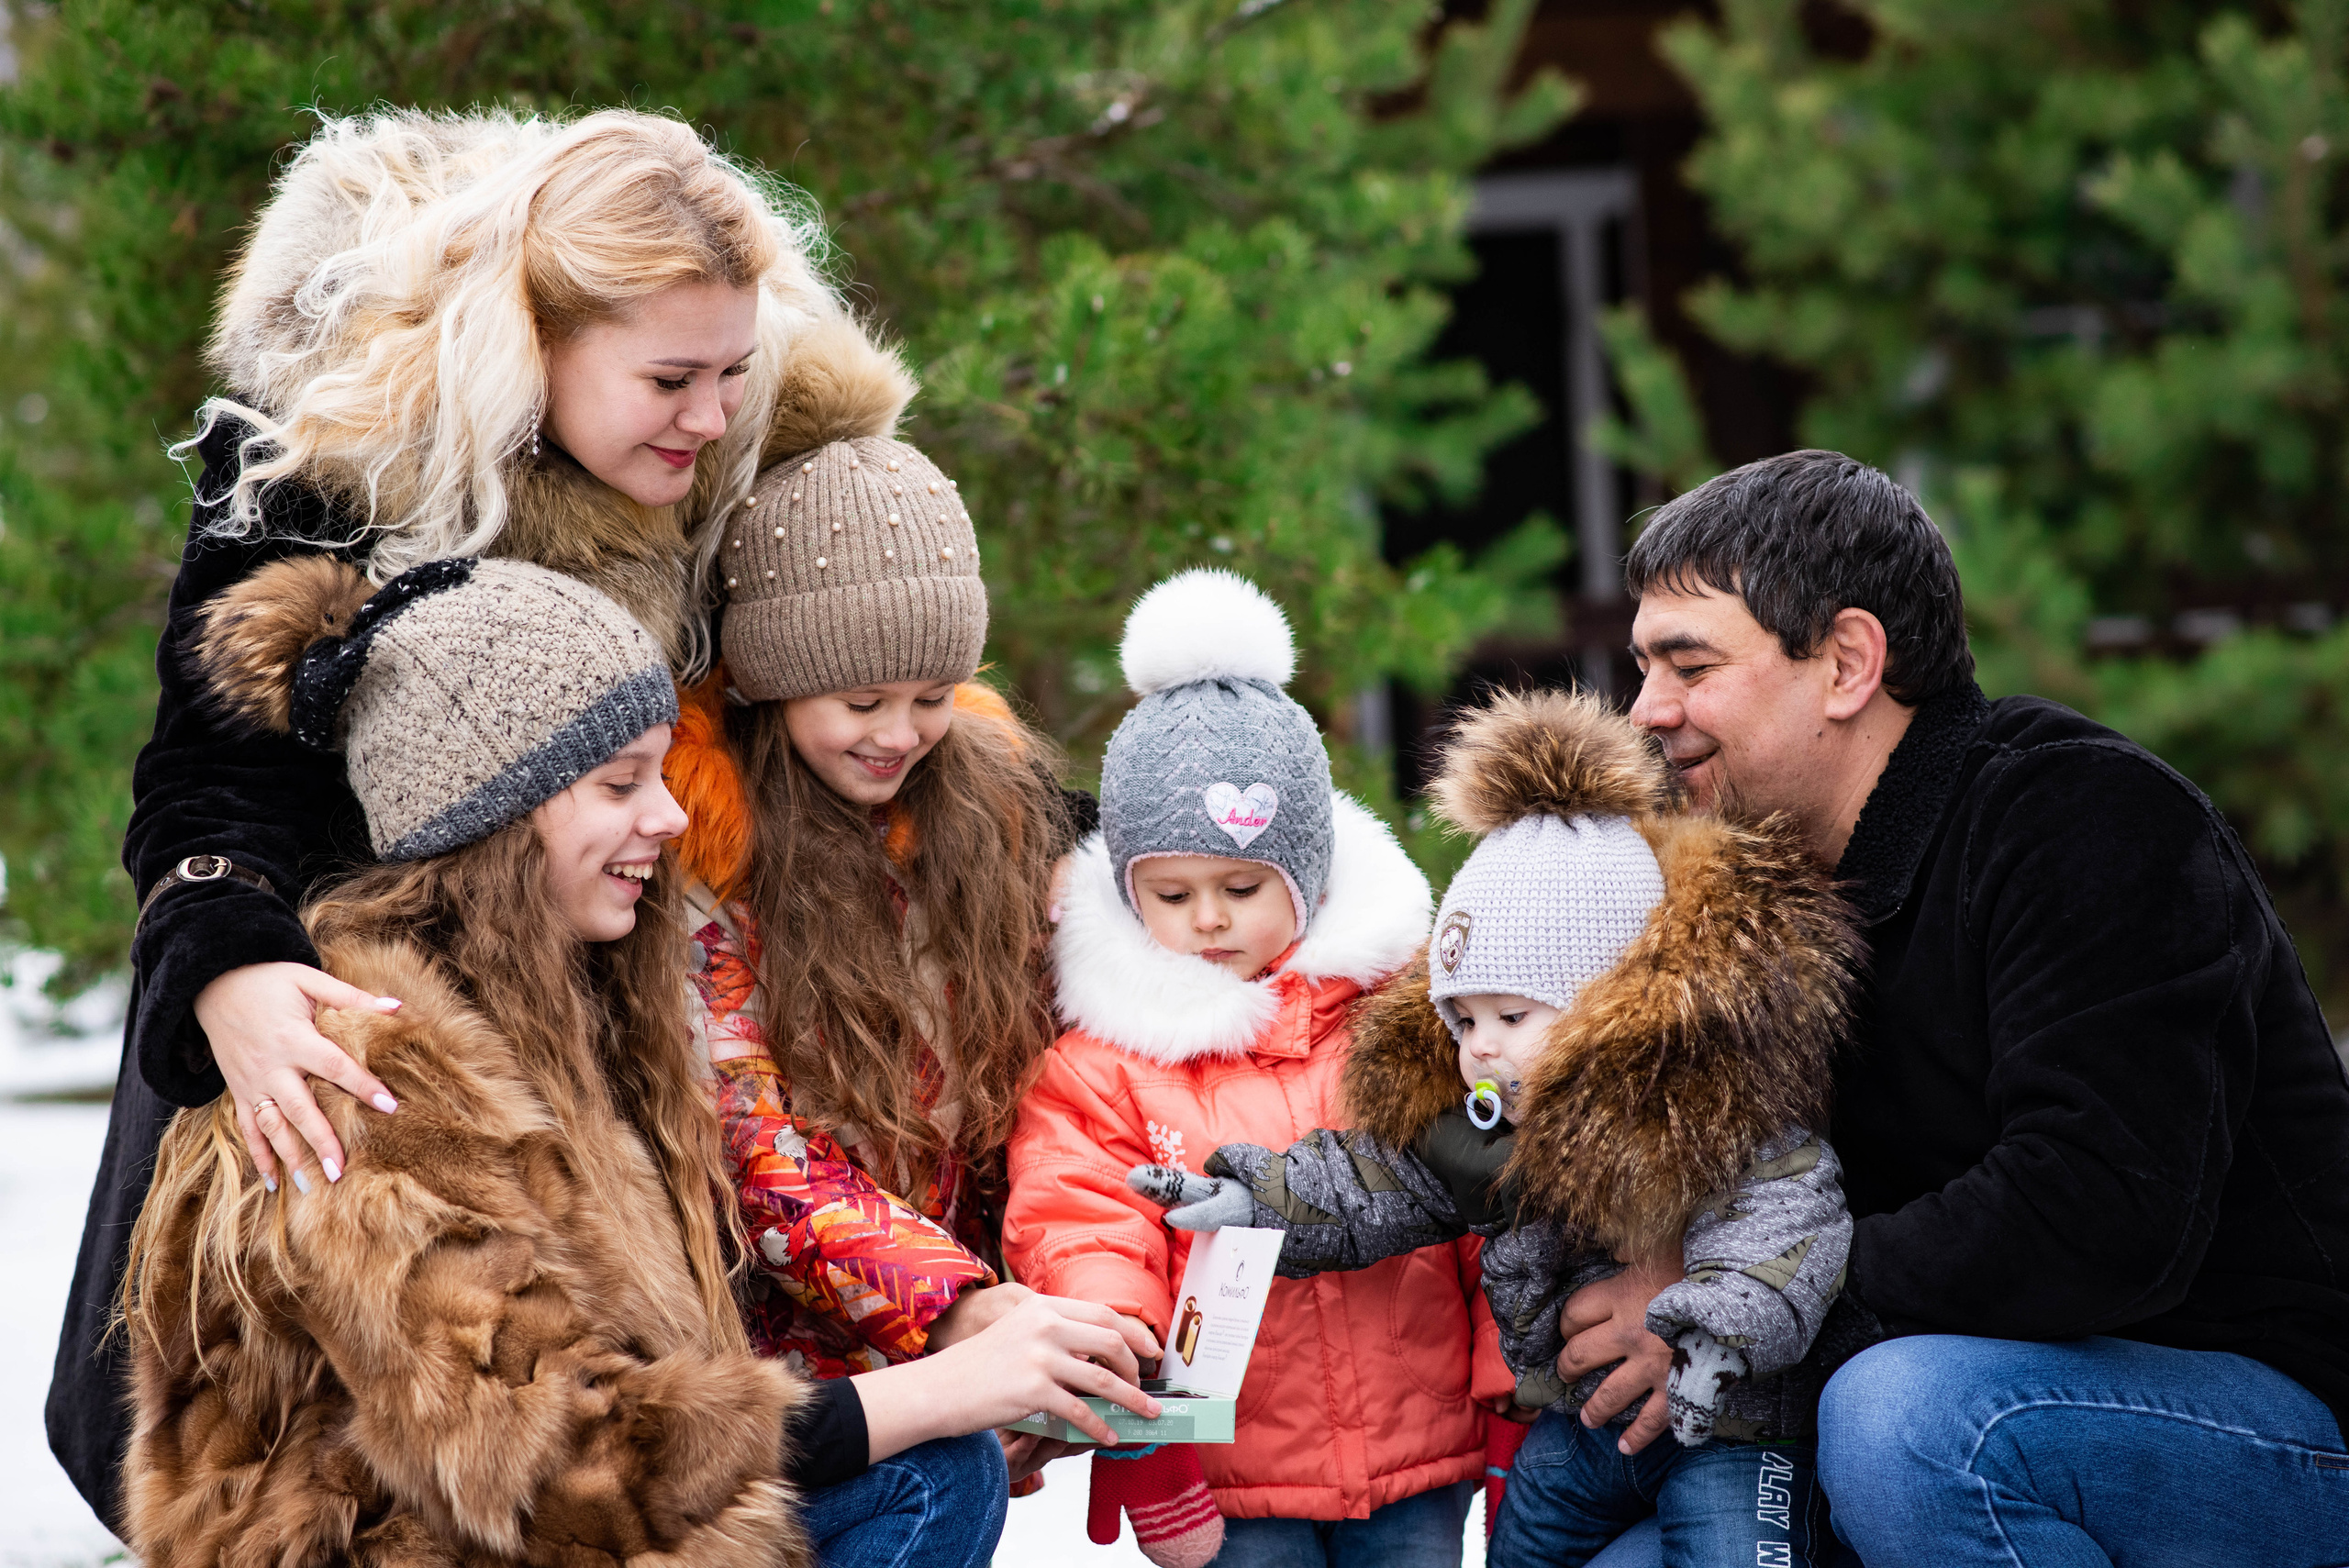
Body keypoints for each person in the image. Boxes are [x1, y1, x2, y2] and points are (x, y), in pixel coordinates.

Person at [53, 103, 936, 1527]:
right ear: (534, 342)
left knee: (609, 1437)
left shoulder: (737, 451)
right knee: (236, 1426)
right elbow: (213, 762)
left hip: (605, 990)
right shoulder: (333, 461)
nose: (710, 416)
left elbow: (855, 677)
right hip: (358, 985)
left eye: (732, 371)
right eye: (669, 378)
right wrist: (225, 960)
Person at [121, 555, 1152, 1565]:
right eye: (620, 783)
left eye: (661, 773)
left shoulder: (586, 1011)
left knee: (934, 1467)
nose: (667, 815)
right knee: (929, 1451)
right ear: (489, 821)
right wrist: (934, 1388)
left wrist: (980, 1348)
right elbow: (553, 1469)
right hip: (422, 1540)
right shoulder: (370, 1071)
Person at [1562, 449, 2349, 1564]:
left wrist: (1735, 1297)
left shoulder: (2086, 817)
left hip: (2263, 1419)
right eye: (1640, 666)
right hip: (1927, 1405)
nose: (1645, 710)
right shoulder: (1742, 889)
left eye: (1688, 665)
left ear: (1845, 662)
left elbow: (2098, 1210)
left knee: (1912, 1420)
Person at [1131, 687, 1864, 1566]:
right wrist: (1253, 1196)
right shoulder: (1485, 1125)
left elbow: (1788, 1225)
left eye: (1511, 1016)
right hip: (1588, 1418)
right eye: (1463, 1018)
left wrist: (1715, 1330)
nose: (1478, 1046)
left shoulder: (1711, 1107)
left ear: (1609, 1002)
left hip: (1730, 1423)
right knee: (1526, 1542)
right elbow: (1376, 1181)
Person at [655, 365, 1140, 1480]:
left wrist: (1031, 1308)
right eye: (860, 702)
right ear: (775, 682)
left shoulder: (986, 818)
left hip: (973, 1322)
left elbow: (1030, 1093)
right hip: (803, 1364)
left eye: (931, 696)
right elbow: (751, 1137)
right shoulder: (710, 861)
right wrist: (952, 1311)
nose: (899, 733)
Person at [1004, 570, 1512, 1568]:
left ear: (1310, 878)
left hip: (1423, 1449)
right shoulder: (1103, 1064)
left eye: (1242, 885)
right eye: (1172, 891)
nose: (1209, 919)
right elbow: (1085, 1231)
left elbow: (1484, 1210)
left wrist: (1509, 1393)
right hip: (1227, 1466)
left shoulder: (1402, 1022)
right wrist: (1140, 1435)